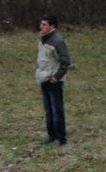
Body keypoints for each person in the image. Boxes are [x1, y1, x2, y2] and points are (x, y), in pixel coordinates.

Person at [35, 14, 71, 146]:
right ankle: (51, 136)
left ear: (52, 26)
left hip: (54, 81)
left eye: (44, 24)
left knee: (57, 110)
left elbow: (65, 62)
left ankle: (61, 139)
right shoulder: (42, 39)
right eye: (41, 24)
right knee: (48, 110)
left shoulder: (58, 41)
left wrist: (56, 78)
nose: (41, 26)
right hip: (44, 79)